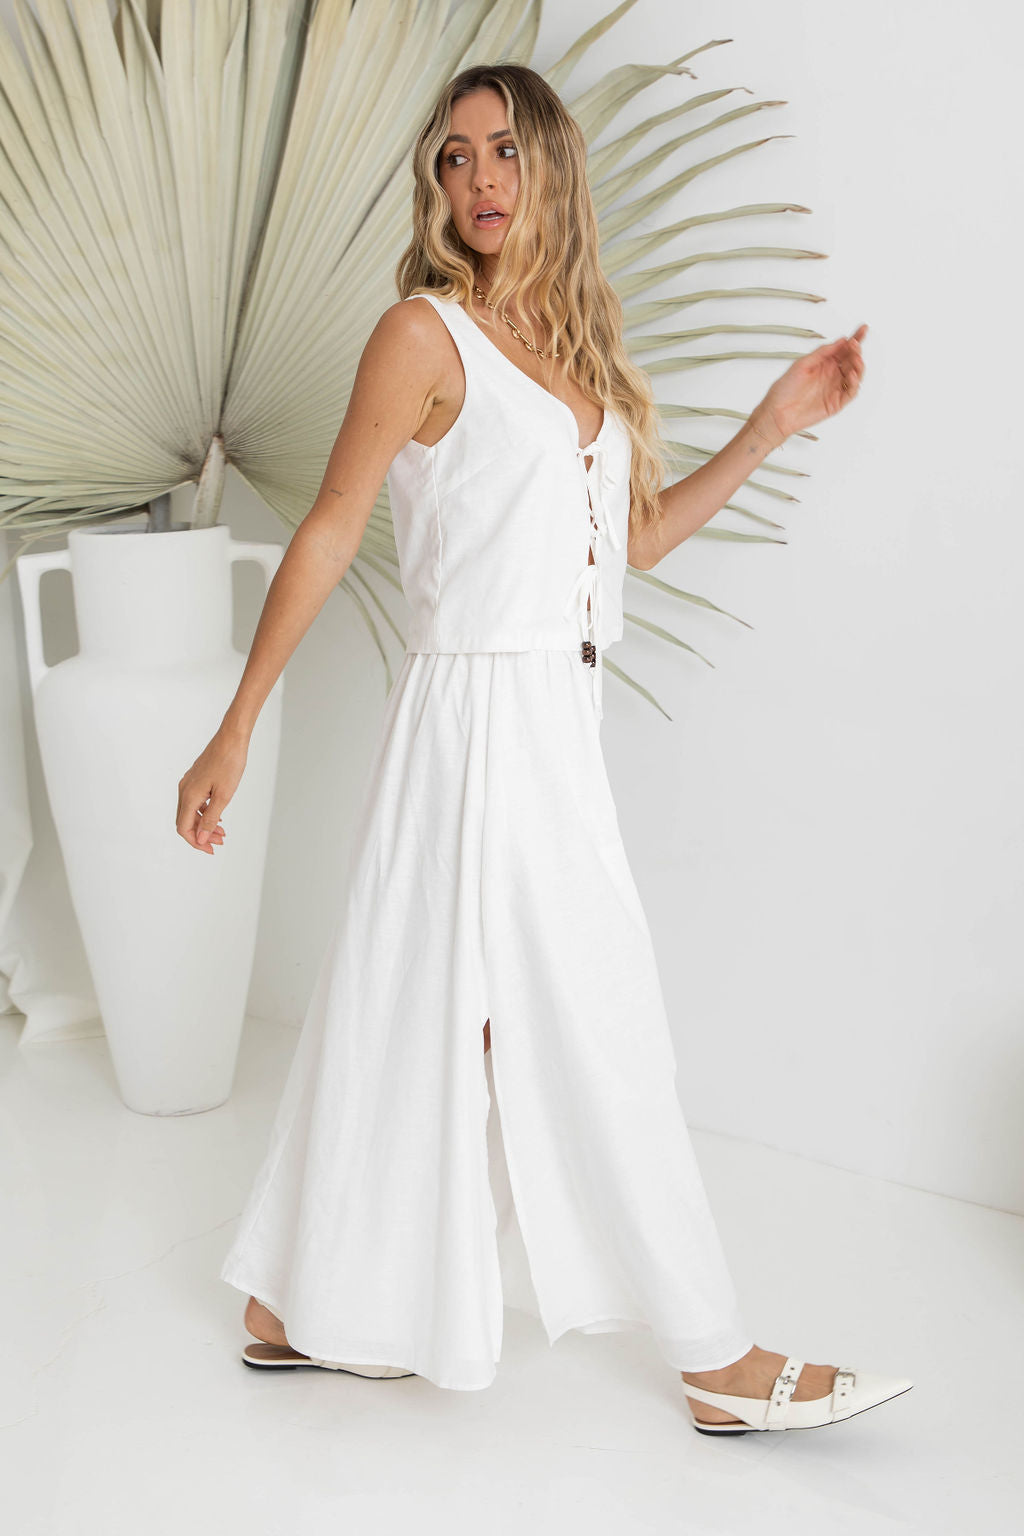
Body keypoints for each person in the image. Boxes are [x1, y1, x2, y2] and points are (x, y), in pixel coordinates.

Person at [176, 63, 912, 1436]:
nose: (479, 179)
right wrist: (236, 725)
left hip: (556, 726)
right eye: (454, 158)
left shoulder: (579, 358)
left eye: (505, 150)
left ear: (552, 166)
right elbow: (330, 528)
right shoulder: (423, 335)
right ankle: (716, 1355)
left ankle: (293, 1304)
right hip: (471, 721)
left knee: (426, 1017)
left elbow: (633, 544)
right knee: (596, 1018)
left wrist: (771, 424)